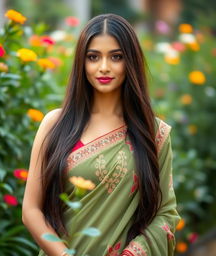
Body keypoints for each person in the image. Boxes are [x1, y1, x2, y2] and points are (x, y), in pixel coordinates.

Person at [22, 13, 180, 256]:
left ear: (131, 62)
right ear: (82, 62)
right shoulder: (55, 125)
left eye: (116, 57)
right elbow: (31, 211)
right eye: (93, 57)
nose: (104, 67)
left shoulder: (154, 133)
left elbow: (165, 213)